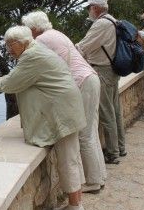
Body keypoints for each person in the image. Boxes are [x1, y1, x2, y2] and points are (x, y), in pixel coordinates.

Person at [0, 26, 86, 210]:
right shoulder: (36, 51)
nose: (8, 50)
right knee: (71, 157)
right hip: (65, 109)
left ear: (21, 42)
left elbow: (14, 82)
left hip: (62, 112)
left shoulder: (31, 56)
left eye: (10, 45)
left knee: (68, 160)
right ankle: (76, 203)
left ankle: (75, 209)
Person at [22, 11, 107, 193]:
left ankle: (92, 181)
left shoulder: (41, 40)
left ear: (35, 28)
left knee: (84, 134)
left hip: (81, 83)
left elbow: (37, 68)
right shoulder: (57, 34)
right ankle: (98, 177)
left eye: (28, 29)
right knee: (91, 131)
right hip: (90, 78)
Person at [75, 0, 125, 165]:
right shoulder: (112, 20)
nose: (89, 10)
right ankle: (120, 147)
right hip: (112, 69)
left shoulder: (101, 24)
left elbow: (83, 47)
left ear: (95, 8)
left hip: (102, 70)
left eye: (90, 7)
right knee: (115, 111)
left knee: (106, 113)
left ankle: (112, 153)